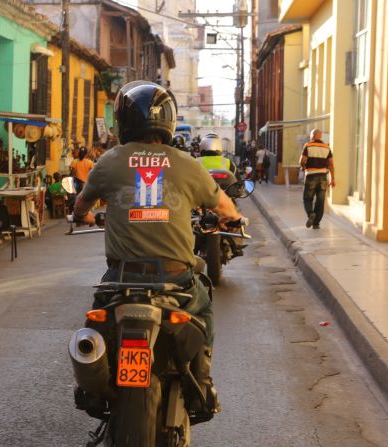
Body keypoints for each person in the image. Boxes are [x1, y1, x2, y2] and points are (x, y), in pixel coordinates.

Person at [73, 80, 244, 415]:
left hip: (122, 278)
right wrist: (234, 219)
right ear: (167, 120)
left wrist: (88, 217)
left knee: (97, 320)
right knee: (205, 310)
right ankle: (204, 386)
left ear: (124, 122)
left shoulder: (108, 162)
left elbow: (81, 206)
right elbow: (223, 205)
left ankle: (91, 388)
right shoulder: (187, 163)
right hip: (176, 279)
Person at [300, 128, 335, 229]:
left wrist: (302, 166)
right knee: (320, 201)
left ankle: (311, 214)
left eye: (311, 136)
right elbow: (331, 164)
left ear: (313, 136)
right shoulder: (327, 147)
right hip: (323, 177)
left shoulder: (308, 145)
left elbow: (302, 160)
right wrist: (333, 179)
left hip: (311, 175)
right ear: (320, 136)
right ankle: (316, 223)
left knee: (307, 198)